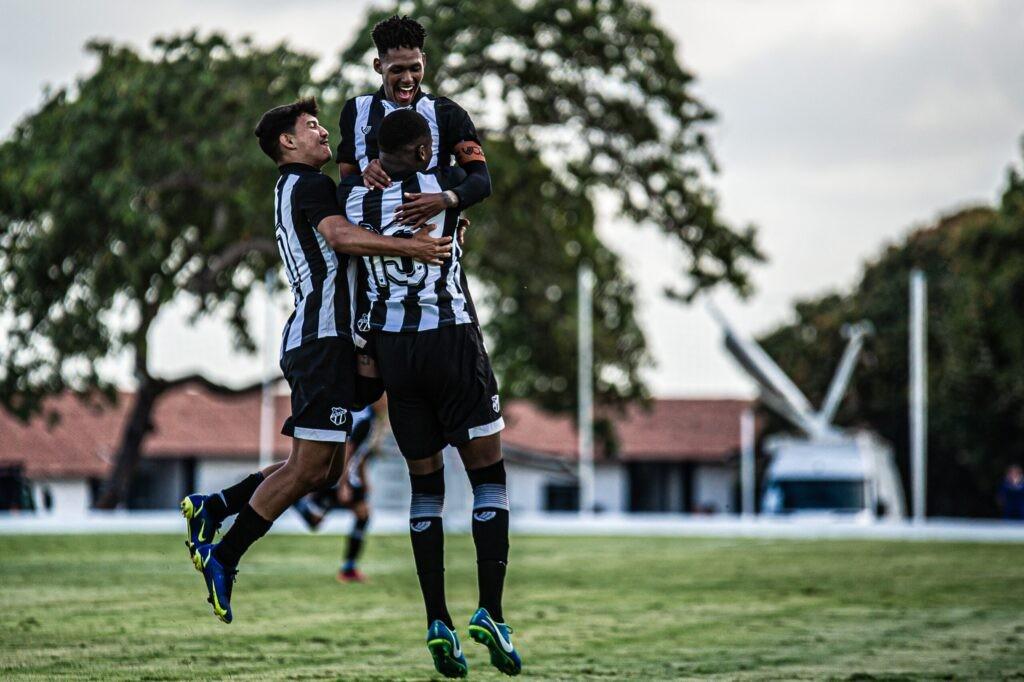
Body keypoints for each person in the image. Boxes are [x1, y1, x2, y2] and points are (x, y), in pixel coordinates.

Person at [180, 96, 451, 624]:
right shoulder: (309, 185)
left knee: (326, 469)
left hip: (326, 340)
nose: (324, 131)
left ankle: (214, 506)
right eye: (311, 126)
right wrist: (412, 249)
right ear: (287, 142)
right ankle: (224, 556)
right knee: (310, 466)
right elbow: (339, 235)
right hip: (323, 340)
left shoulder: (293, 188)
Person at [339, 109, 520, 678]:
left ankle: (436, 619)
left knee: (426, 491)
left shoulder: (353, 203)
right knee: (488, 477)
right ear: (422, 153)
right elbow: (478, 185)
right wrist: (449, 211)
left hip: (396, 351)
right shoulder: (442, 188)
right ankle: (490, 610)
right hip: (451, 341)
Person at [336, 15, 490, 230]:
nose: (408, 79)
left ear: (424, 61)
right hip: (375, 247)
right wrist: (365, 175)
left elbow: (481, 181)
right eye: (397, 70)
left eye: (415, 68)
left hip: (434, 243)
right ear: (379, 65)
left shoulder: (446, 112)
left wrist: (447, 200)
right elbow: (347, 184)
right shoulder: (356, 110)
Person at [292, 402, 380, 582]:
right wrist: (343, 484)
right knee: (316, 521)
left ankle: (349, 569)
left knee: (362, 513)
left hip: (345, 476)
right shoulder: (364, 418)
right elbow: (348, 449)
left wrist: (365, 480)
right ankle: (292, 498)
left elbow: (360, 454)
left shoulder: (371, 419)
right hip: (337, 476)